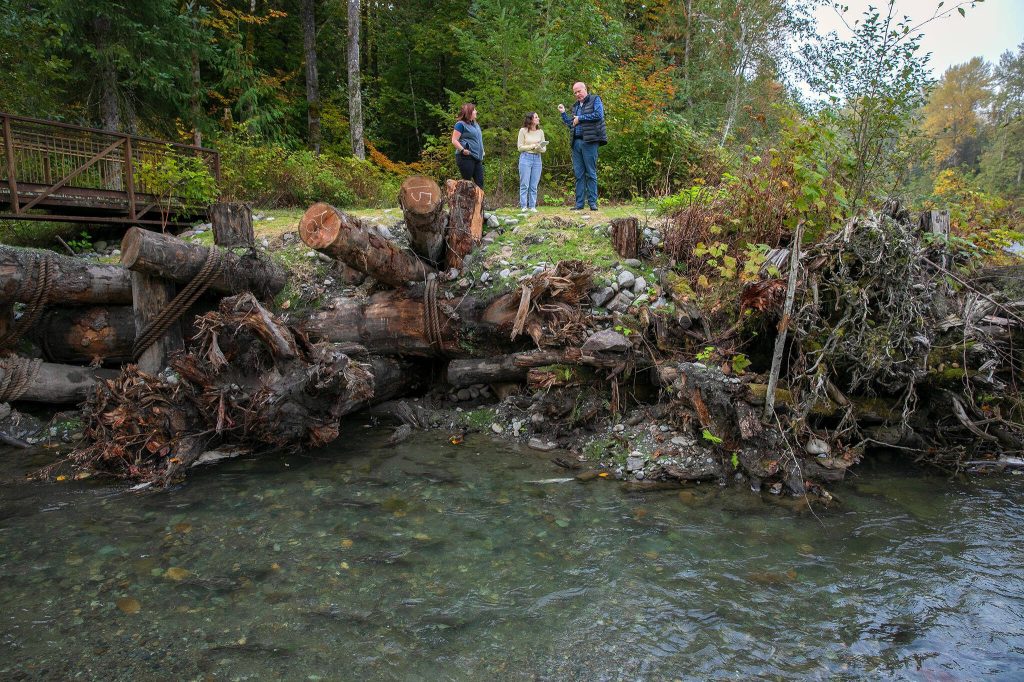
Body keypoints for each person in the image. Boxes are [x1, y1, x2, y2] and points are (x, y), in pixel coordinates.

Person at [558, 82, 607, 211]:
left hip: (590, 141)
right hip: (577, 142)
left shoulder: (595, 99)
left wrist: (581, 118)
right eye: (575, 92)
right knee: (579, 174)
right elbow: (571, 124)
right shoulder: (575, 106)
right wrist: (563, 114)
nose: (577, 94)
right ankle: (579, 204)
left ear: (585, 89)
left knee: (590, 173)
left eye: (579, 91)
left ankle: (592, 204)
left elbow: (599, 115)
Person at [517, 112, 547, 212]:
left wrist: (539, 147)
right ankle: (524, 206)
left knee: (534, 184)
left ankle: (532, 206)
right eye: (536, 117)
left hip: (537, 158)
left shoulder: (540, 132)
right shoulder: (523, 131)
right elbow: (520, 147)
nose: (538, 119)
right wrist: (532, 146)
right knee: (525, 183)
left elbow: (544, 149)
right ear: (531, 119)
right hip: (525, 158)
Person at [451, 103, 485, 190]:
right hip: (465, 157)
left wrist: (482, 150)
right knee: (467, 184)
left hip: (477, 158)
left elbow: (478, 139)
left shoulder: (475, 124)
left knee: (480, 184)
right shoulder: (460, 124)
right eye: (474, 110)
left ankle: (479, 203)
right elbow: (454, 140)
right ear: (469, 112)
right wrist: (462, 150)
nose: (476, 111)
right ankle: (464, 203)